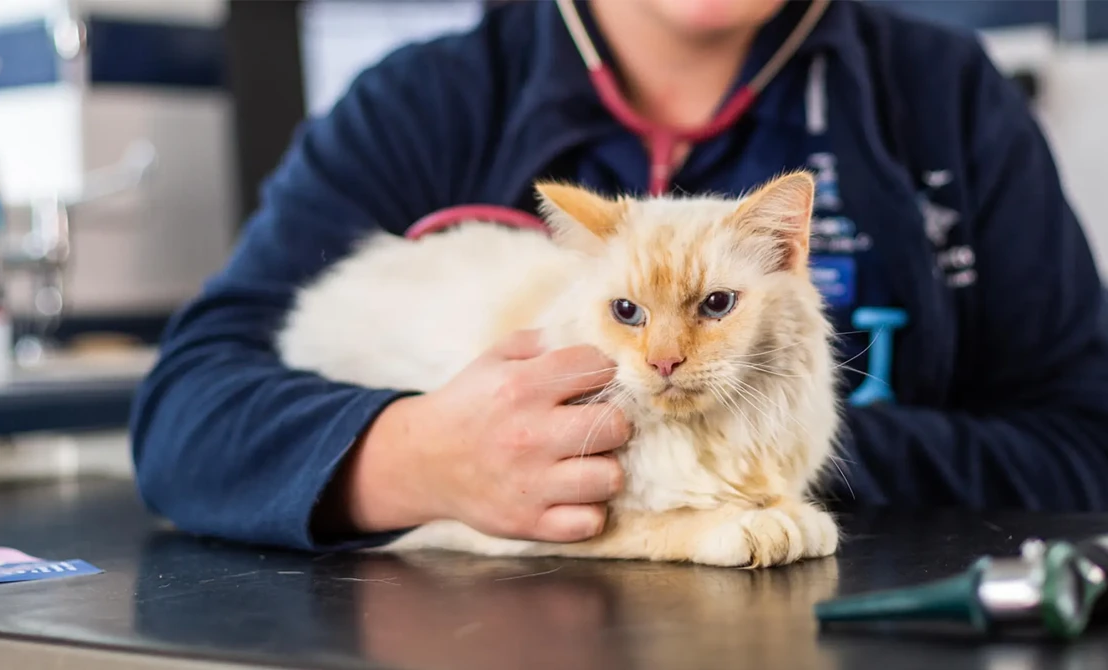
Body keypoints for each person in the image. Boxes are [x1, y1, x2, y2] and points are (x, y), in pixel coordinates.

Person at [130, 0, 1108, 552]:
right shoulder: (422, 104)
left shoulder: (944, 95)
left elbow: (1084, 444)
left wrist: (759, 454)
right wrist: (416, 457)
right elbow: (188, 416)